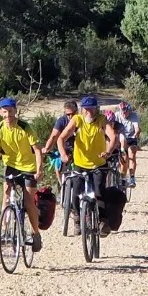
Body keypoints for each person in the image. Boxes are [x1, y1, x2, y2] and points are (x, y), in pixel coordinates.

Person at [0, 97, 43, 250]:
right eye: (5, 112)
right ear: (0, 112)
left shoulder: (25, 127)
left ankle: (36, 234)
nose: (8, 115)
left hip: (28, 167)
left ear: (15, 111)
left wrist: (39, 170)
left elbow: (37, 150)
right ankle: (5, 231)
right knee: (6, 194)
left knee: (28, 201)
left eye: (10, 111)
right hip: (10, 165)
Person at [56, 95, 119, 234]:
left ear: (97, 109)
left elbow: (113, 136)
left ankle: (102, 220)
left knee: (99, 191)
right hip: (80, 163)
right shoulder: (77, 120)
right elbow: (61, 138)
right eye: (86, 109)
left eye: (92, 108)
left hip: (98, 164)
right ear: (82, 109)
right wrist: (63, 155)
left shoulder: (102, 120)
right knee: (75, 192)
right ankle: (77, 219)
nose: (89, 111)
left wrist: (108, 151)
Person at [44, 98, 79, 176]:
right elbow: (53, 136)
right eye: (68, 114)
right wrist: (47, 148)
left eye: (73, 114)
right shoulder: (62, 121)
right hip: (65, 149)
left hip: (79, 149)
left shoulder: (82, 119)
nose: (70, 116)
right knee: (58, 169)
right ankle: (62, 183)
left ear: (77, 111)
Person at [117, 101, 141, 186]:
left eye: (126, 112)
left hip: (131, 138)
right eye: (122, 112)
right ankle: (123, 178)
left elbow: (137, 128)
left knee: (132, 154)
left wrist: (136, 134)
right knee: (123, 159)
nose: (124, 114)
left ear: (129, 110)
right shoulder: (117, 116)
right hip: (120, 139)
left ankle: (132, 177)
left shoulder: (133, 116)